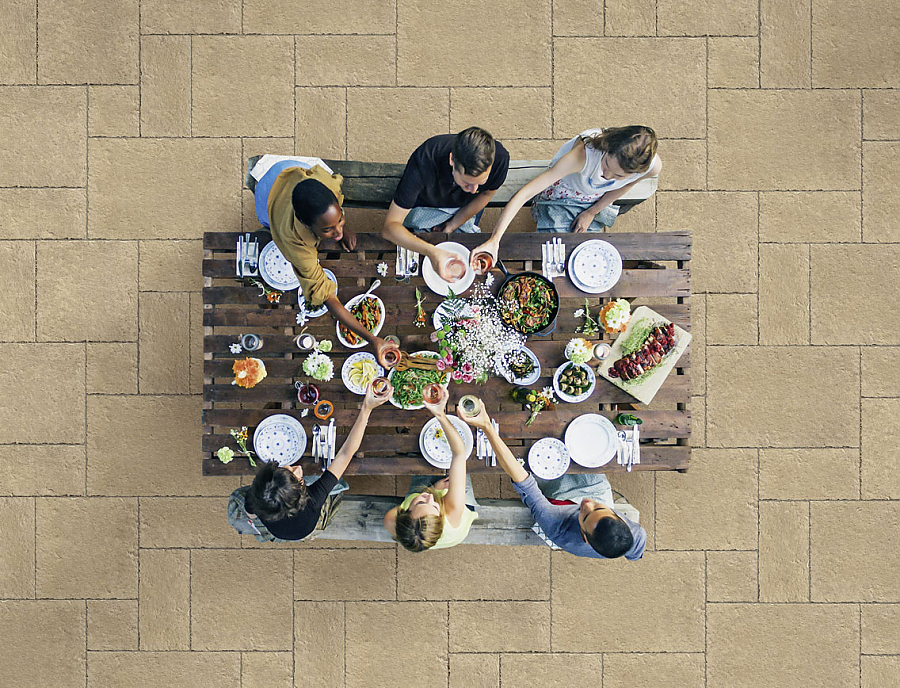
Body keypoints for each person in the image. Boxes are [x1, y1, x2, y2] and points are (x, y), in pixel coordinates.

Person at [249, 155, 398, 367]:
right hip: (271, 194)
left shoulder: (327, 185)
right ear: (305, 224)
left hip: (292, 171)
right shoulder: (293, 240)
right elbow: (325, 293)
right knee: (268, 218)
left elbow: (334, 209)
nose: (337, 234)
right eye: (327, 229)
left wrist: (343, 229)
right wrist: (373, 339)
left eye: (340, 220)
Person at [457, 398, 645, 559]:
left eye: (586, 515)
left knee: (543, 450)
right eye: (599, 508)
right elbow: (636, 554)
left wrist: (487, 427)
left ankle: (544, 410)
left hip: (559, 497)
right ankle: (548, 410)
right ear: (618, 517)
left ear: (585, 538)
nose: (587, 504)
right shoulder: (634, 537)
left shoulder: (557, 526)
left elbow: (524, 482)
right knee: (580, 444)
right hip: (593, 487)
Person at [470, 126, 661, 269]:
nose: (608, 177)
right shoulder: (583, 155)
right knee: (554, 254)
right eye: (606, 167)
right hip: (563, 191)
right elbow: (525, 194)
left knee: (589, 255)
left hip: (595, 199)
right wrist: (495, 239)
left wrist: (591, 212)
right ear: (608, 147)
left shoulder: (652, 167)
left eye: (618, 176)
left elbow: (627, 185)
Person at [242, 380, 393, 541]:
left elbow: (250, 512)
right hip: (309, 527)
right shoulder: (313, 502)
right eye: (297, 479)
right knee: (324, 479)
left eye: (287, 470)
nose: (298, 468)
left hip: (278, 530)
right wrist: (366, 408)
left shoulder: (258, 496)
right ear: (301, 496)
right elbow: (345, 455)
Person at [381, 127, 510, 282]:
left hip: (464, 211)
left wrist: (452, 225)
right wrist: (432, 252)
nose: (473, 190)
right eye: (467, 183)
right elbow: (389, 227)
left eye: (479, 183)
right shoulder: (425, 159)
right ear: (452, 160)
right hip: (424, 208)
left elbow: (485, 194)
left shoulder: (500, 159)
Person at [383, 388, 479, 551]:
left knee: (418, 458)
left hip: (428, 510)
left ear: (404, 512)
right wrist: (440, 415)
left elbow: (427, 495)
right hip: (456, 508)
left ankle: (408, 440)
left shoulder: (391, 520)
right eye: (434, 506)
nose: (428, 497)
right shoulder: (452, 512)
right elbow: (458, 453)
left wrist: (432, 489)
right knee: (460, 469)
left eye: (420, 502)